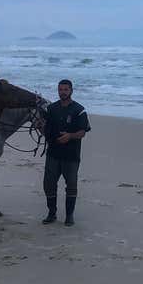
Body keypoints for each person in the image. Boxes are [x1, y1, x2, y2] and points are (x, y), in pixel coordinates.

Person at [42, 79, 91, 226]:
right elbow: (46, 131)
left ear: (71, 91)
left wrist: (70, 136)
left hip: (71, 155)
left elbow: (83, 132)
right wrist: (40, 127)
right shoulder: (51, 109)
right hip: (53, 154)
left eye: (65, 89)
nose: (62, 92)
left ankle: (69, 216)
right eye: (60, 89)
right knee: (48, 184)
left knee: (71, 185)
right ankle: (52, 213)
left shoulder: (79, 110)